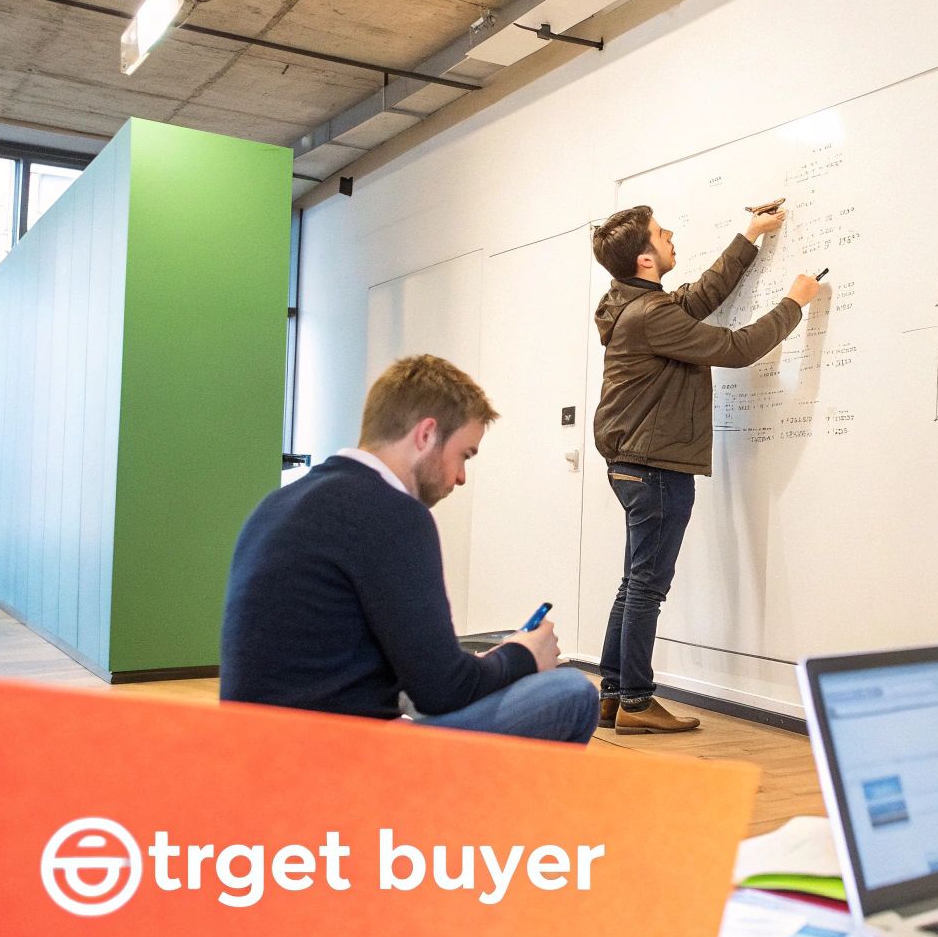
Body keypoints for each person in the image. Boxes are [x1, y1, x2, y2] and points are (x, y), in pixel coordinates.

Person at [221, 354, 598, 744]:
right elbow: (441, 692)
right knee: (571, 693)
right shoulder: (393, 513)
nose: (462, 477)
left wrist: (477, 665)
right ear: (426, 435)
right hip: (332, 760)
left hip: (261, 753)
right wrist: (523, 654)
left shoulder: (279, 504)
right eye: (463, 455)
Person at [590, 204, 820, 734]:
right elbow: (737, 349)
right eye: (661, 233)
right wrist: (794, 304)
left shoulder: (635, 306)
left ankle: (612, 694)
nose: (671, 235)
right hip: (654, 469)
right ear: (646, 258)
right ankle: (638, 703)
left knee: (634, 584)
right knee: (646, 587)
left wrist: (750, 235)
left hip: (634, 465)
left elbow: (698, 298)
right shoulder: (651, 316)